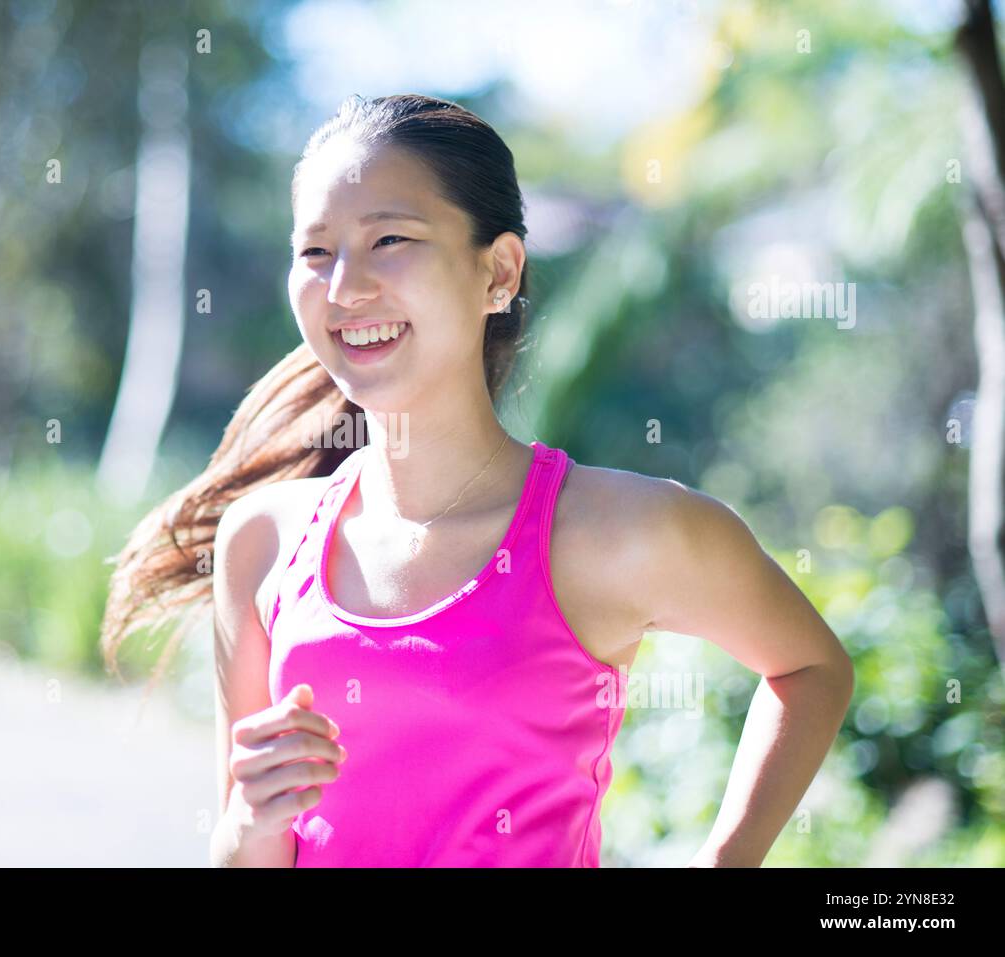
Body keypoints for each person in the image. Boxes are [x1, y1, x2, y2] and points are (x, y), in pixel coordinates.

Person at [101, 93, 855, 868]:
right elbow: (242, 851)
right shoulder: (261, 540)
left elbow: (811, 668)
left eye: (389, 239)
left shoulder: (615, 529)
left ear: (498, 271)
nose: (344, 287)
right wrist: (252, 823)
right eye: (316, 251)